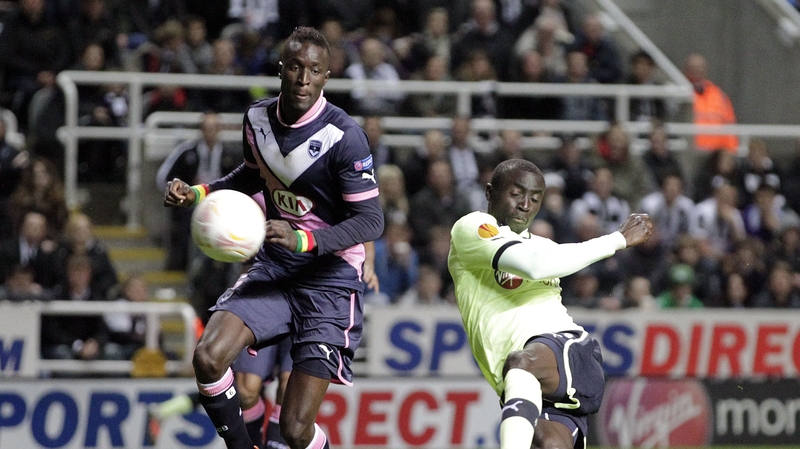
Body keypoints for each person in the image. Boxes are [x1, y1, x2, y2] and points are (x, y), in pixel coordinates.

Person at [162, 27, 383, 449]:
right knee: (208, 358)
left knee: (296, 431)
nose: (303, 79)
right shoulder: (257, 118)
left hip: (330, 280)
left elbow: (370, 221)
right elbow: (250, 175)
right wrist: (198, 193)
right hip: (276, 269)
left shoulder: (344, 136)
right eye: (296, 67)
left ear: (326, 77)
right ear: (282, 69)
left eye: (314, 71)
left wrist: (303, 240)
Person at [448, 158, 652, 449]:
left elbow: (539, 262)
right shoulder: (474, 228)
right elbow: (533, 265)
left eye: (535, 198)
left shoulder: (543, 248)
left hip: (564, 352)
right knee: (547, 445)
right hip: (526, 388)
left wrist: (617, 240)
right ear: (490, 192)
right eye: (516, 194)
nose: (525, 205)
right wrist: (615, 239)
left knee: (522, 363)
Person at [157, 111, 243, 270]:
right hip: (192, 204)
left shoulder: (230, 155)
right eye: (206, 128)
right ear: (201, 130)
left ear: (219, 130)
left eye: (214, 128)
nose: (210, 133)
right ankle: (192, 267)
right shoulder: (187, 152)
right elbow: (164, 177)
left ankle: (224, 269)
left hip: (222, 206)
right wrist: (178, 193)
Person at [683, 53, 738, 153]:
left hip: (717, 153)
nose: (698, 71)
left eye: (701, 67)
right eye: (694, 68)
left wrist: (731, 150)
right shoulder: (682, 93)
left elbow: (729, 124)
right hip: (691, 152)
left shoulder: (719, 95)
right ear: (687, 70)